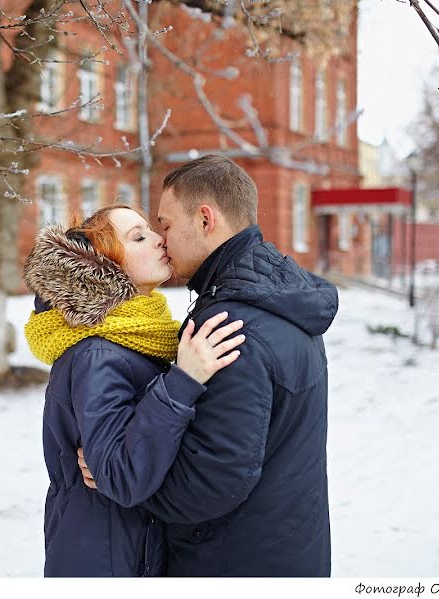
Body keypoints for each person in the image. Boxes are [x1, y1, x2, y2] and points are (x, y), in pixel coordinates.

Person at [79, 155, 339, 576]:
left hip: (234, 562)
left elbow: (211, 482)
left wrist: (123, 479)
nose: (163, 239)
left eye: (165, 224)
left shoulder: (230, 325)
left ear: (204, 220)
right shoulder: (280, 299)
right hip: (283, 549)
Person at [22, 203, 246, 577]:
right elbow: (123, 476)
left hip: (129, 548)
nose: (160, 239)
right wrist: (183, 382)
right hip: (101, 561)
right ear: (103, 270)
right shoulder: (98, 354)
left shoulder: (143, 338)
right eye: (138, 237)